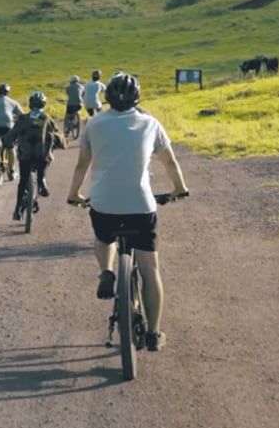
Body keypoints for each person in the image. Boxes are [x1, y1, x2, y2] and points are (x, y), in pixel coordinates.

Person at [66, 72, 189, 352]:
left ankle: (107, 271)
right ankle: (154, 334)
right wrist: (180, 188)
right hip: (140, 206)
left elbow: (82, 164)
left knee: (104, 237)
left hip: (104, 205)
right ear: (138, 98)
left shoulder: (93, 123)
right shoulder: (150, 123)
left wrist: (74, 194)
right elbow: (170, 162)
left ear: (107, 97)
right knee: (150, 269)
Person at [1, 90, 63, 220]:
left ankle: (18, 209)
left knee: (23, 181)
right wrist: (59, 143)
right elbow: (59, 135)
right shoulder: (47, 119)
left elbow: (12, 134)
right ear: (43, 105)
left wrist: (6, 142)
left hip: (26, 157)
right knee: (44, 161)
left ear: (30, 104)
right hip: (42, 156)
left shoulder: (22, 119)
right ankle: (42, 180)